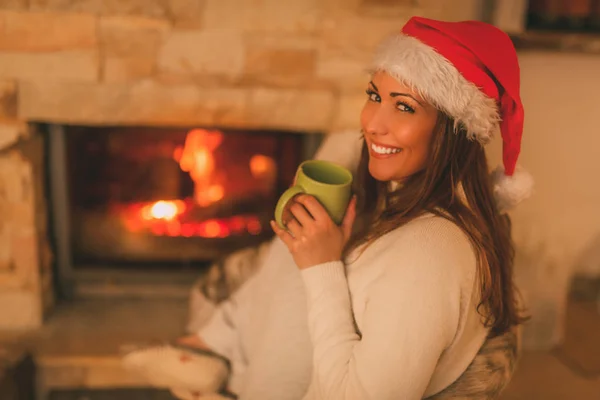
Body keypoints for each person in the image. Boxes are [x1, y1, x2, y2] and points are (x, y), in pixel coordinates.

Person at [153, 16, 534, 399]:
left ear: (453, 130)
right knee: (318, 204)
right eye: (374, 96)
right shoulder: (413, 209)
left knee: (330, 176)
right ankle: (219, 340)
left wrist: (321, 267)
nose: (373, 123)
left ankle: (219, 343)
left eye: (404, 107)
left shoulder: (428, 254)